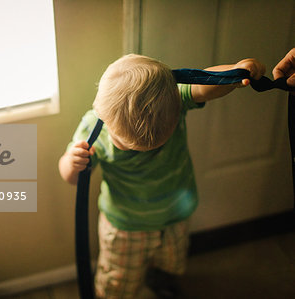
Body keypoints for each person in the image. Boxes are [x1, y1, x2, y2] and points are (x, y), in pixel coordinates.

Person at [58, 54, 265, 299]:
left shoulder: (173, 99)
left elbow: (204, 84)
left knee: (169, 262)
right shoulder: (94, 129)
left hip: (175, 215)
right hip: (125, 228)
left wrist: (235, 73)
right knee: (118, 283)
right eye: (126, 144)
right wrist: (73, 163)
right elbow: (71, 178)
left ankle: (160, 280)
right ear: (100, 108)